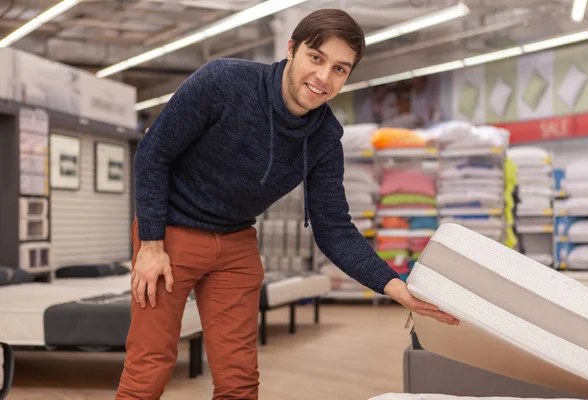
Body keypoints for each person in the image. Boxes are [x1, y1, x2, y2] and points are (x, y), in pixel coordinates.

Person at [115, 8, 459, 400]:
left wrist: (394, 285)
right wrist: (152, 245)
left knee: (239, 379)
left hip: (235, 243)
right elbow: (152, 154)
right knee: (150, 368)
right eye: (317, 58)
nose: (323, 78)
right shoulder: (222, 82)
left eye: (340, 69)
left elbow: (333, 227)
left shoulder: (325, 137)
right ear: (292, 49)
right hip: (171, 233)